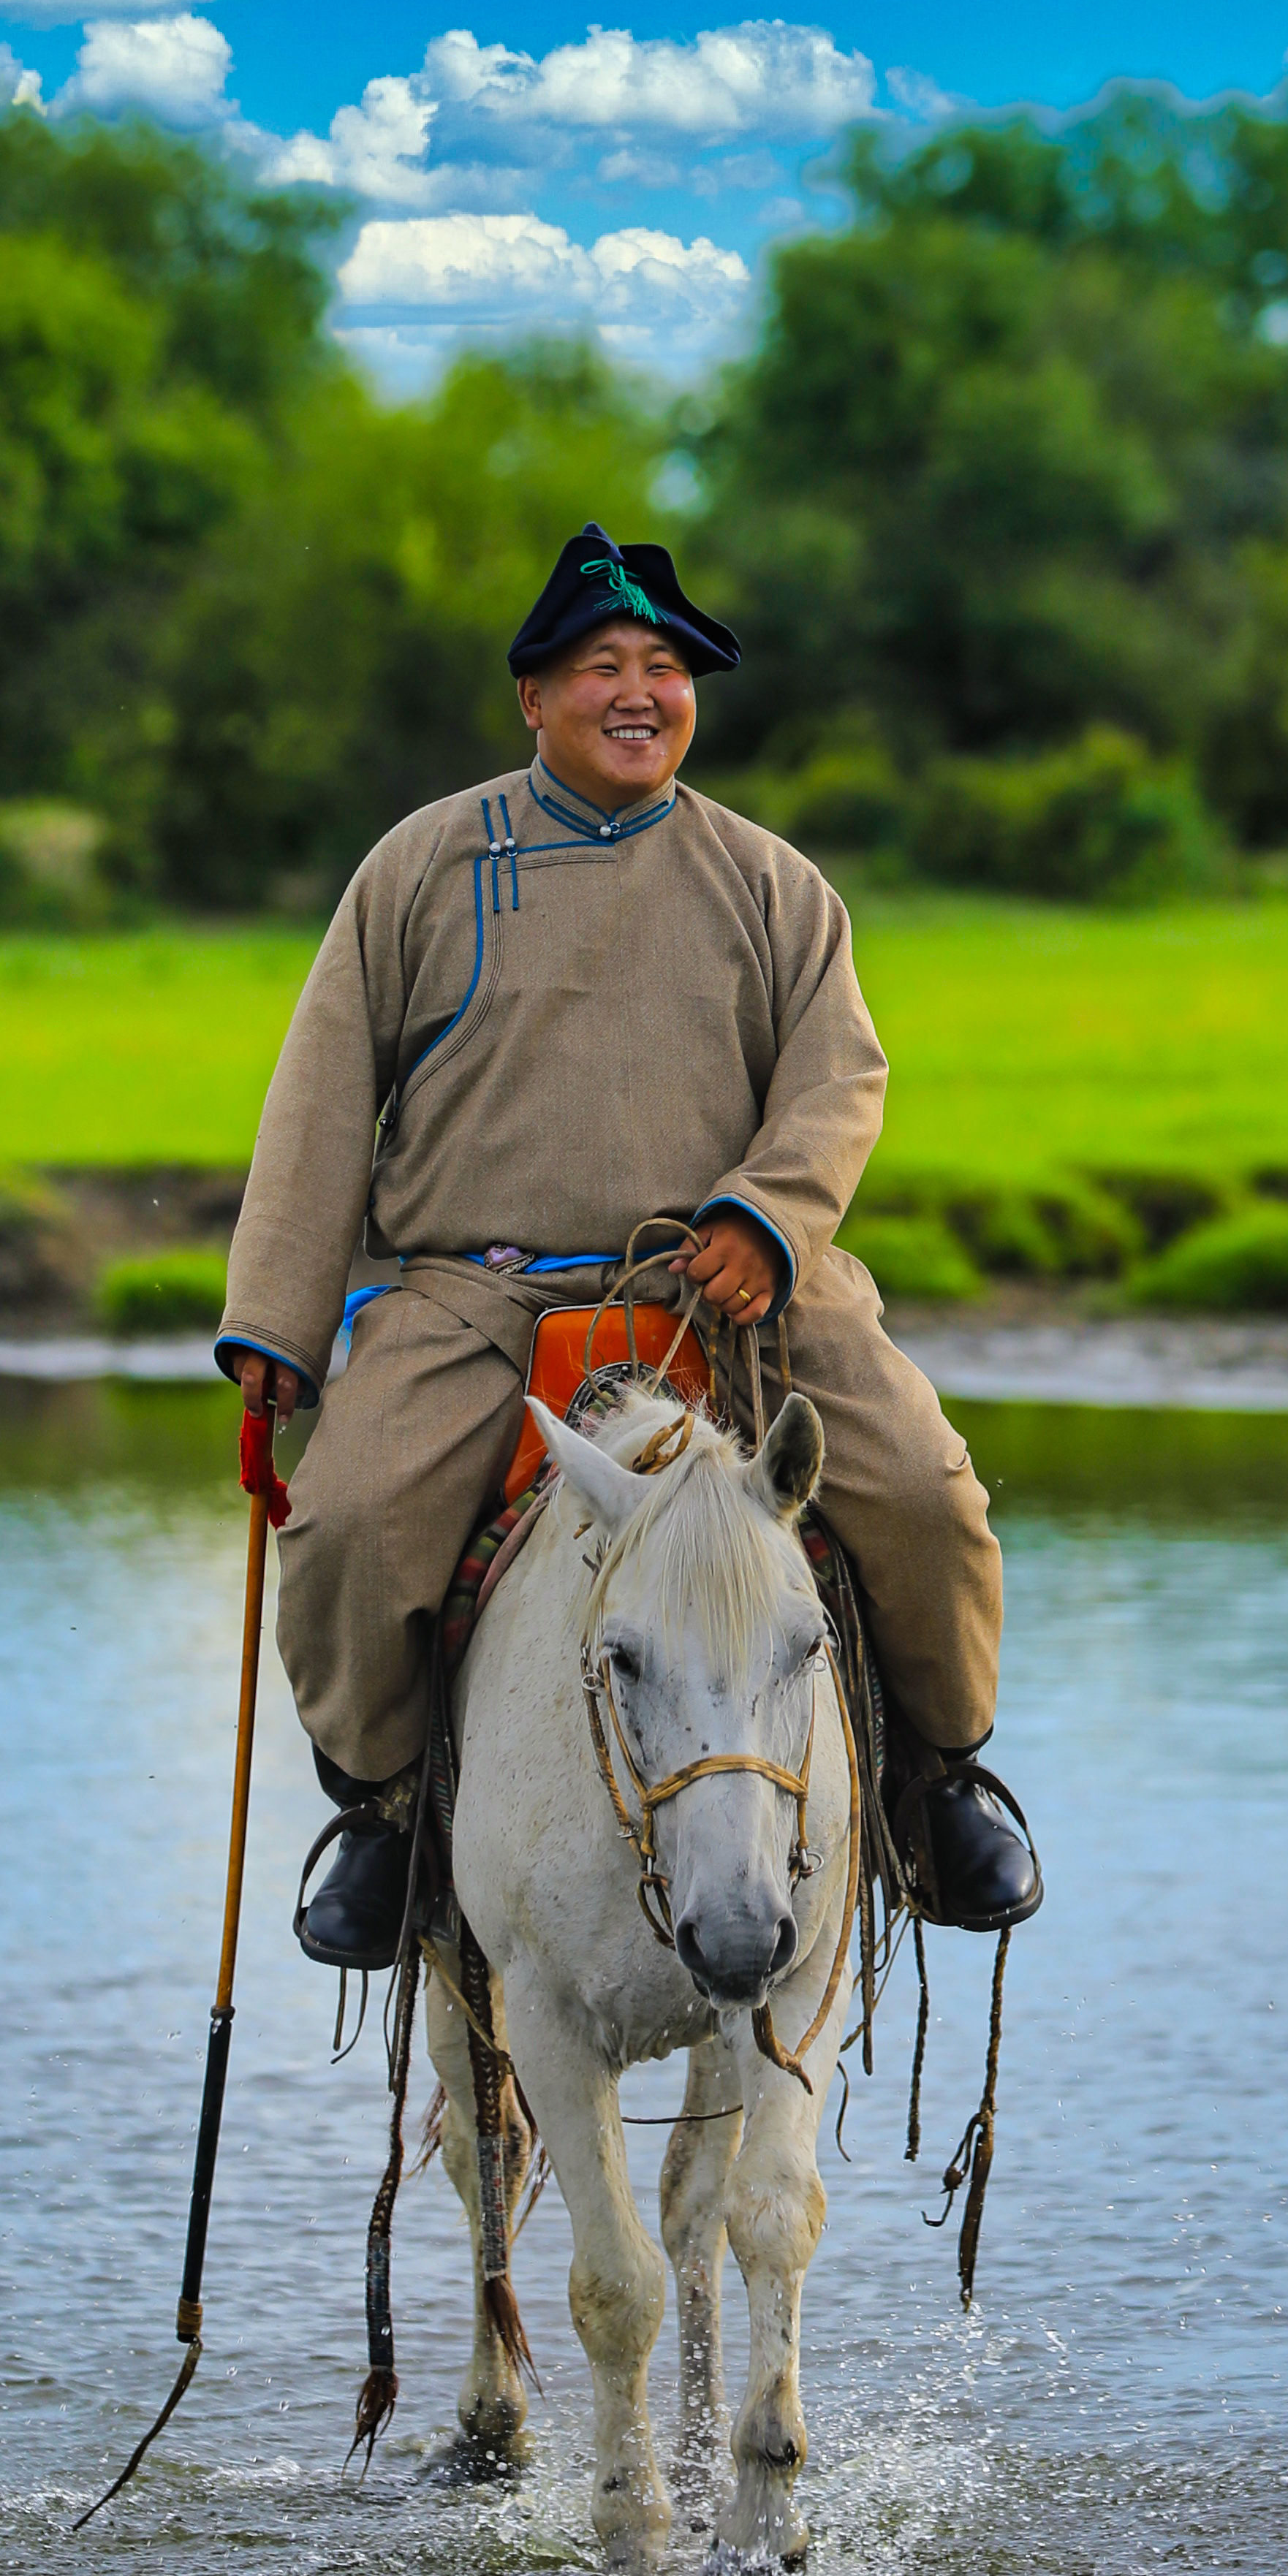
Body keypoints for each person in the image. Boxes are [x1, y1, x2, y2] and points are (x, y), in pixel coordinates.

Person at [215, 522, 1043, 1969]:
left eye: (664, 666)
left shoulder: (773, 885)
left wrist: (766, 1220)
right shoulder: (418, 868)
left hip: (730, 1296)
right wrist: (277, 1329)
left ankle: (934, 1783)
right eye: (600, 664)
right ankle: (387, 1811)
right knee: (348, 1525)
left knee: (925, 1496)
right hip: (475, 1300)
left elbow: (839, 1080)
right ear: (530, 697)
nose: (637, 691)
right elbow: (318, 1101)